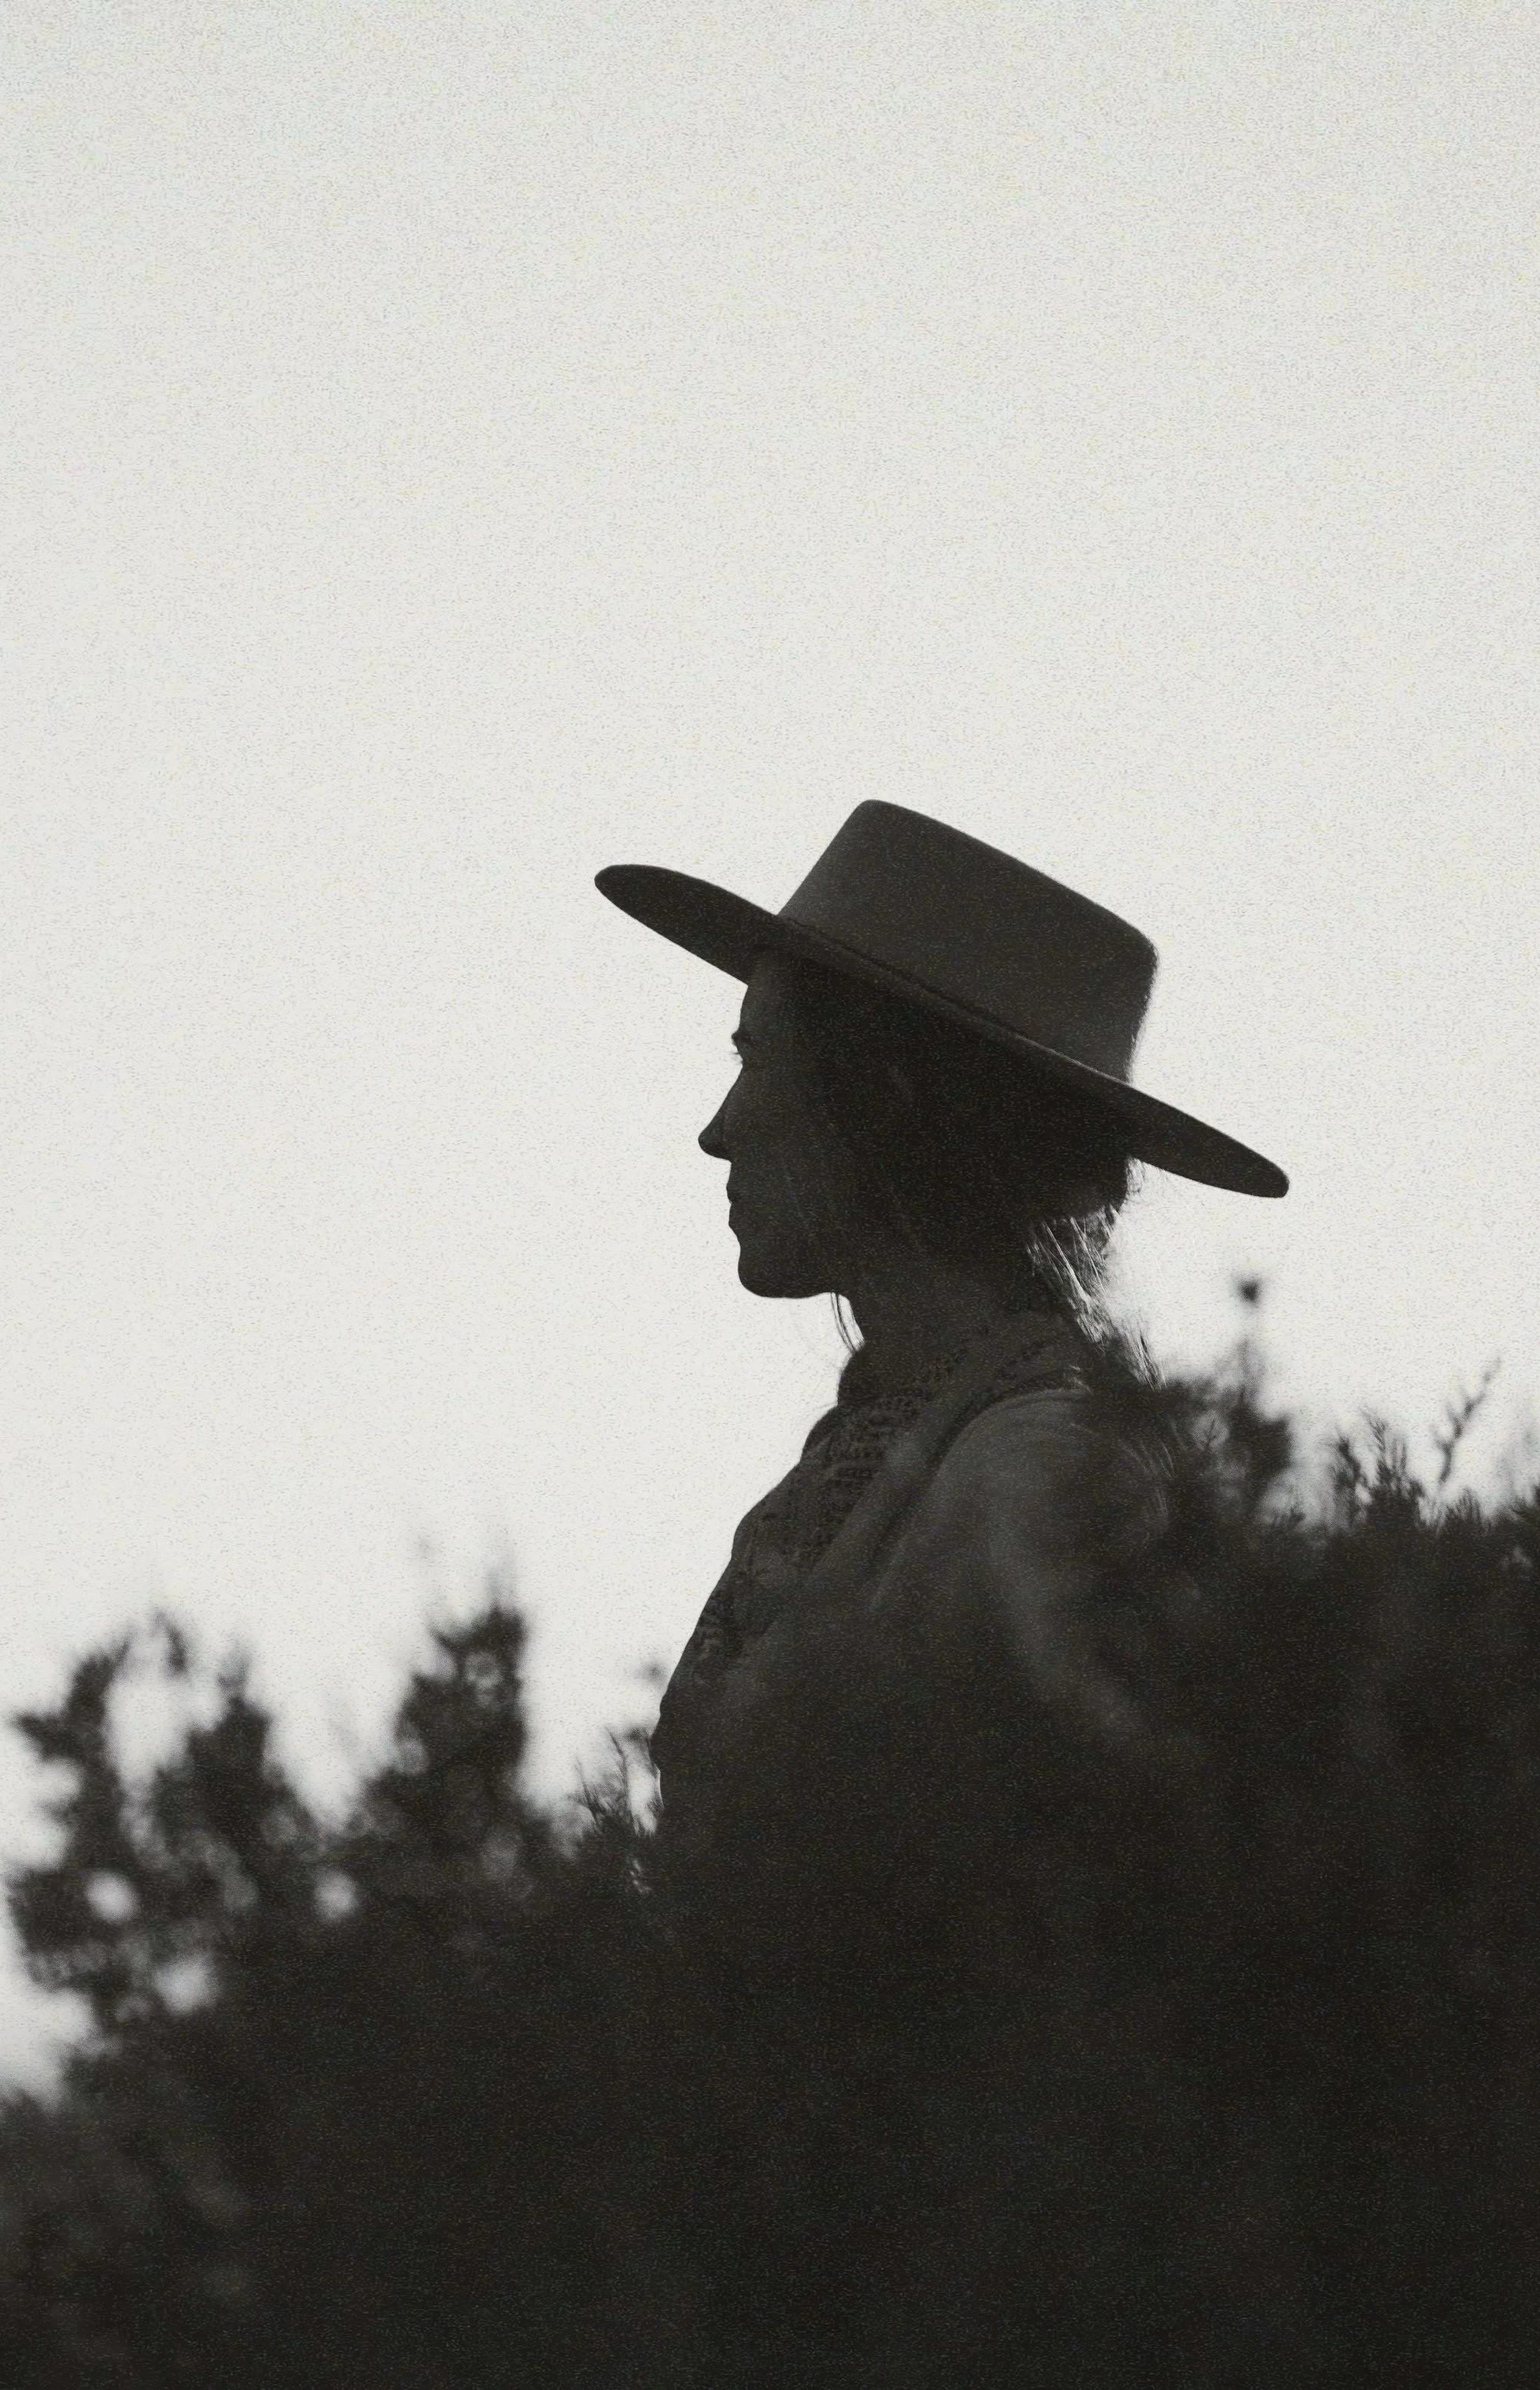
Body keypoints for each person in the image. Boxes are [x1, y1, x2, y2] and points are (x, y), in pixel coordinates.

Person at [594, 805, 1315, 2385]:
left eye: (754, 1061)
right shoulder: (884, 1455)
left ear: (884, 1092)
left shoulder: (1037, 1482)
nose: (718, 1130)